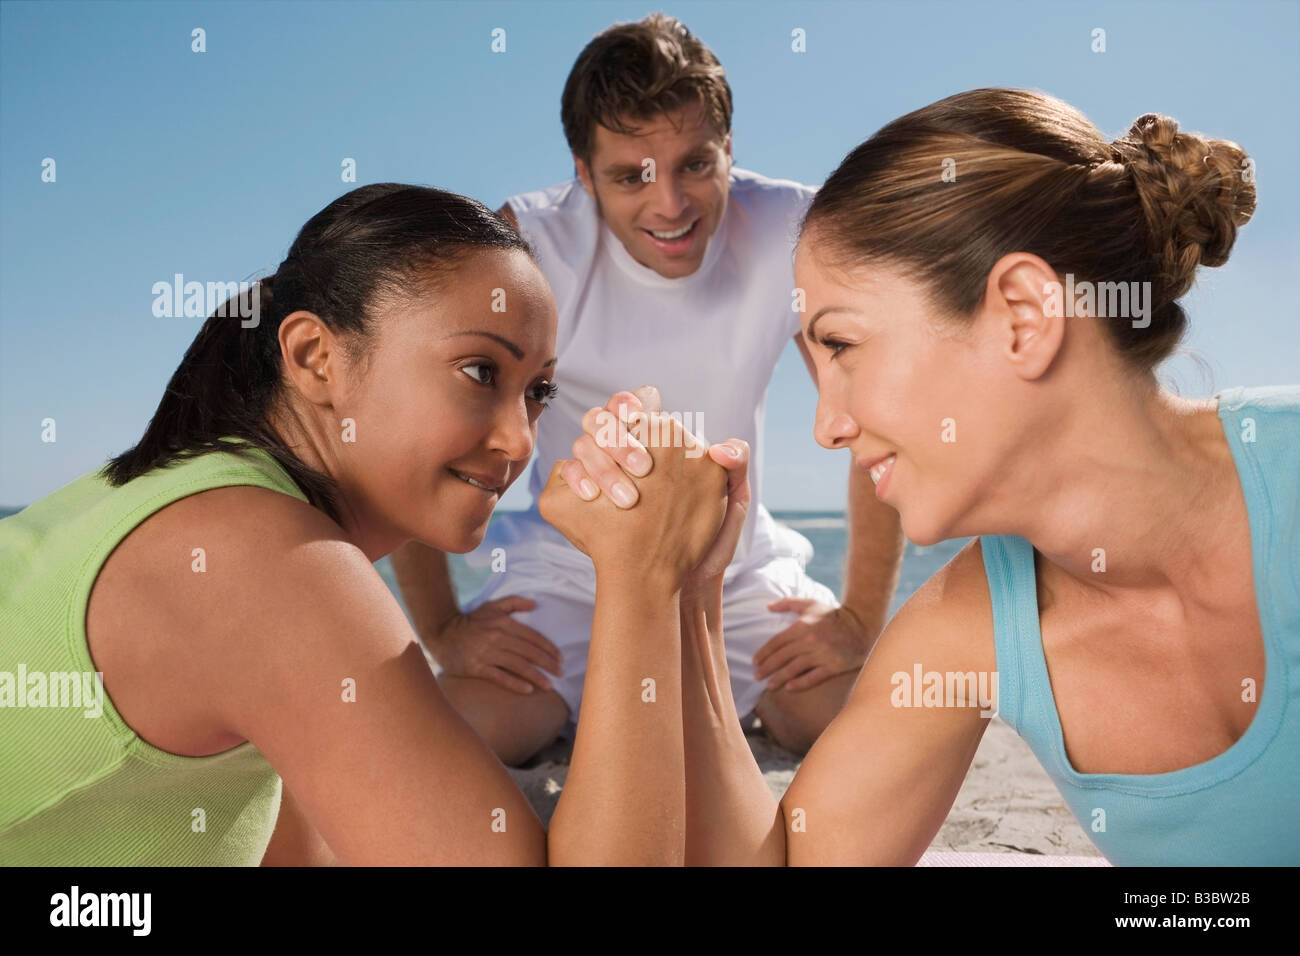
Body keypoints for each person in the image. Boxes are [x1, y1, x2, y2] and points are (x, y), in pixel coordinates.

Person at [559, 88, 1299, 865]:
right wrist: (689, 590)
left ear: (1023, 317)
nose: (827, 425)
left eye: (841, 345)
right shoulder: (968, 630)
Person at [0, 182, 747, 866]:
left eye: (539, 393)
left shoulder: (198, 502)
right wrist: (641, 576)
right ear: (314, 356)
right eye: (481, 372)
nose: (521, 442)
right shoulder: (259, 561)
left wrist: (689, 585)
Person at [391, 13, 904, 765]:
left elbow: (877, 416)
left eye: (695, 164)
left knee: (866, 735)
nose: (669, 204)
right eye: (631, 175)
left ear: (729, 148)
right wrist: (441, 627)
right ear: (582, 172)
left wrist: (859, 617)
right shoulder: (525, 249)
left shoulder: (798, 231)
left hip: (739, 573)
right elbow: (415, 425)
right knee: (454, 747)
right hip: (567, 577)